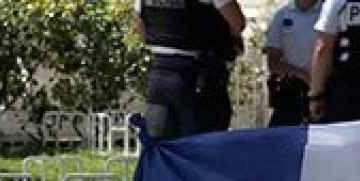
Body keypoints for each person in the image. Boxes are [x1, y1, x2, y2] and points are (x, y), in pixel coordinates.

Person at [134, 0, 247, 139]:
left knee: (161, 147)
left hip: (159, 73)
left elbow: (141, 29)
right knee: (202, 146)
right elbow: (237, 22)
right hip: (196, 75)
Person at [264, 0, 322, 126]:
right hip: (290, 92)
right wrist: (303, 75)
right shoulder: (282, 15)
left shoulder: (327, 14)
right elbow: (273, 63)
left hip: (322, 92)